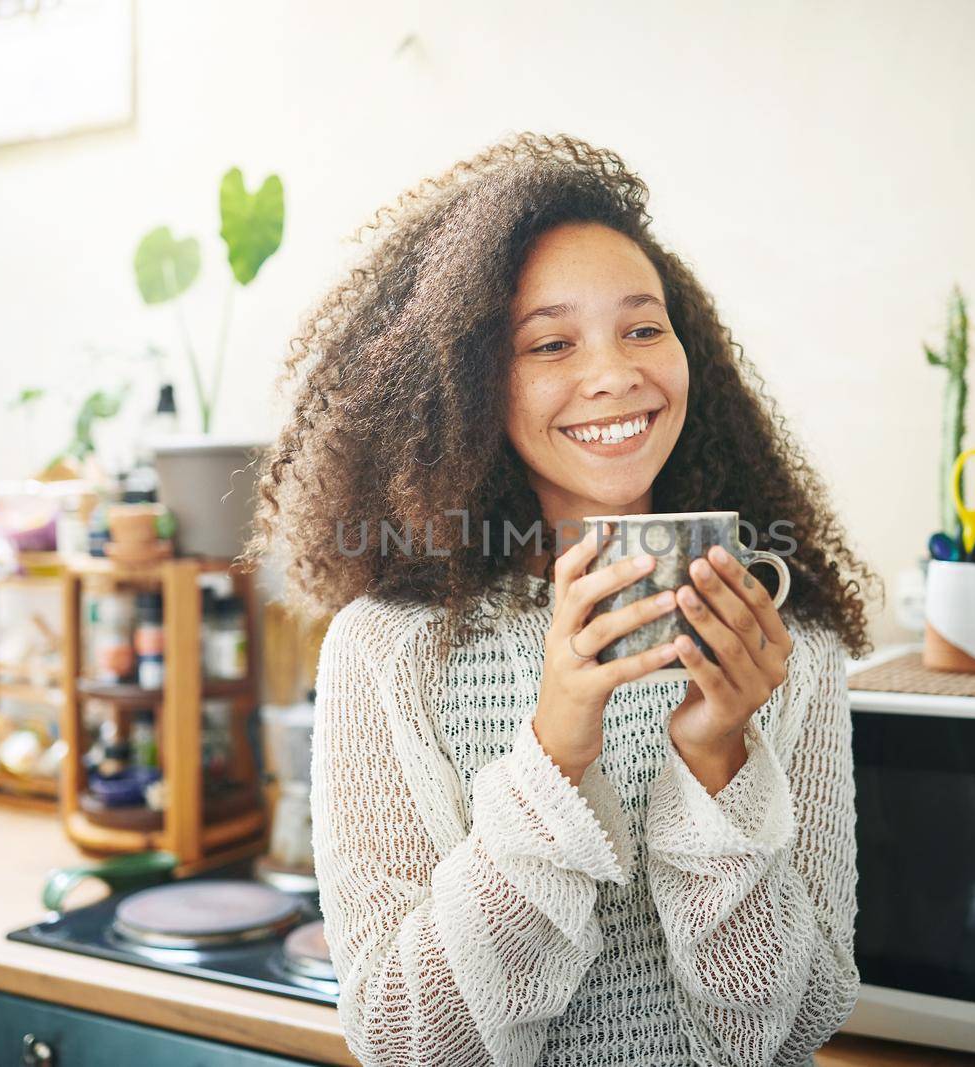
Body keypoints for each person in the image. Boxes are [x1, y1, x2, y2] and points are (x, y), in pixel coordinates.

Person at [250, 131, 876, 1066]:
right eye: (550, 342)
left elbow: (790, 1026)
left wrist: (717, 754)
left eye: (642, 326)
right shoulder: (386, 653)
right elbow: (410, 1041)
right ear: (470, 388)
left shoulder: (790, 643)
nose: (616, 373)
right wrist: (556, 748)